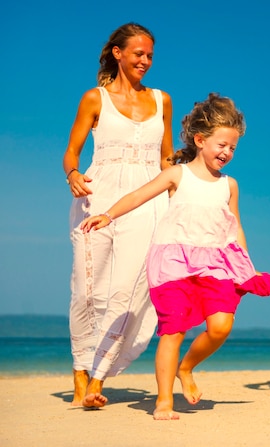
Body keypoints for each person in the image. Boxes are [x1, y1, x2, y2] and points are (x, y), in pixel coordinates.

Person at [80, 93, 270, 420]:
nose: (227, 153)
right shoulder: (177, 175)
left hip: (215, 263)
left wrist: (246, 265)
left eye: (233, 148)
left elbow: (235, 227)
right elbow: (137, 196)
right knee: (173, 328)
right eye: (221, 145)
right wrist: (107, 215)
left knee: (221, 326)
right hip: (172, 262)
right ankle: (164, 401)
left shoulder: (229, 185)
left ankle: (186, 367)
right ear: (200, 139)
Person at [62, 23, 173, 408]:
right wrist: (73, 175)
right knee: (86, 290)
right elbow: (71, 153)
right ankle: (79, 372)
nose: (145, 61)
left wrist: (182, 198)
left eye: (150, 55)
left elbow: (166, 159)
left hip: (147, 202)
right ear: (118, 53)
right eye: (138, 53)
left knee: (128, 292)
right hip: (97, 198)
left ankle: (97, 379)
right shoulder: (95, 99)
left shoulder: (162, 100)